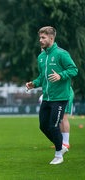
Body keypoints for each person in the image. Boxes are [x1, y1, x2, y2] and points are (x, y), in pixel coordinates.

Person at [26, 26, 78, 165]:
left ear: (51, 38)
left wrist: (61, 75)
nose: (40, 40)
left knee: (54, 126)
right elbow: (42, 77)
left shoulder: (62, 54)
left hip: (60, 97)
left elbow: (74, 70)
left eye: (43, 37)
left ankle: (58, 155)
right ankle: (61, 146)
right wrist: (34, 84)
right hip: (47, 98)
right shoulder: (41, 57)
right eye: (40, 38)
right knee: (43, 126)